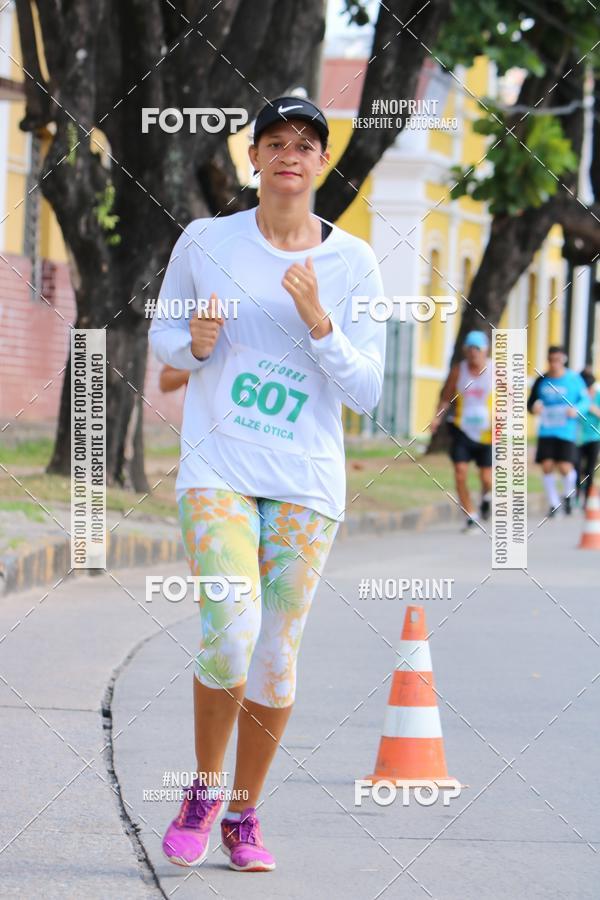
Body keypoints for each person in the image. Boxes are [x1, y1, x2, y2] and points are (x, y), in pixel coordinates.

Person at [149, 96, 386, 873]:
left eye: (306, 144)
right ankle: (203, 789)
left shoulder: (352, 264)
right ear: (254, 158)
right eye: (275, 142)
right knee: (230, 627)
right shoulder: (207, 241)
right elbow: (165, 335)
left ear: (322, 162)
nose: (291, 154)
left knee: (277, 657)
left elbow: (369, 391)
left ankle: (245, 815)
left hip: (305, 480)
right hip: (219, 465)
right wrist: (194, 341)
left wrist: (321, 326)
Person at [431, 330, 493, 532]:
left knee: (487, 478)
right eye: (470, 349)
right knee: (460, 473)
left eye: (478, 349)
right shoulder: (459, 370)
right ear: (466, 350)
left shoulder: (496, 370)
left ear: (486, 351)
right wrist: (437, 417)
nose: (474, 353)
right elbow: (446, 397)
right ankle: (471, 515)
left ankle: (485, 497)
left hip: (488, 433)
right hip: (462, 429)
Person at [527, 346, 589, 517]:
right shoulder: (541, 380)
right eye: (551, 360)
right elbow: (530, 403)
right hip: (546, 430)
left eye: (557, 360)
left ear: (563, 359)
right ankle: (554, 504)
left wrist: (575, 410)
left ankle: (570, 494)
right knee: (546, 465)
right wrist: (534, 408)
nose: (554, 364)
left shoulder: (574, 379)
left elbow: (585, 400)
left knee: (564, 467)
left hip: (566, 430)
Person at [575, 370, 600, 506]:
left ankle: (588, 499)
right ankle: (577, 497)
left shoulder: (598, 396)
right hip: (578, 438)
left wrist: (593, 408)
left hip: (594, 438)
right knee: (576, 468)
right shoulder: (578, 396)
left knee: (590, 470)